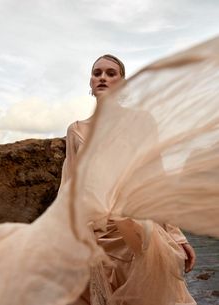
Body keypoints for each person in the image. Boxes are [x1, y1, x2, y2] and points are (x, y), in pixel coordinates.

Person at [64, 54, 196, 305]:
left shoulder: (141, 122)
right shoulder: (76, 130)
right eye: (97, 73)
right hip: (94, 234)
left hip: (136, 233)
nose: (102, 77)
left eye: (111, 73)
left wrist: (177, 236)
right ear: (91, 83)